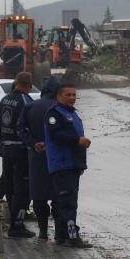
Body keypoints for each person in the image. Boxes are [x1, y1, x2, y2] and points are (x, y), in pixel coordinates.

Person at [44, 83, 92, 248]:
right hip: (62, 165)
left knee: (63, 202)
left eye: (74, 95)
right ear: (59, 96)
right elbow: (56, 135)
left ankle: (61, 235)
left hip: (73, 165)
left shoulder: (72, 114)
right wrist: (78, 141)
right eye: (68, 95)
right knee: (68, 203)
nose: (72, 97)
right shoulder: (54, 114)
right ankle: (73, 237)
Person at [18, 76, 61, 241]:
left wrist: (33, 143)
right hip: (58, 160)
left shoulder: (30, 106)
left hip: (36, 158)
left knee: (39, 195)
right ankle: (58, 232)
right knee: (58, 195)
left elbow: (20, 128)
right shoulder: (61, 108)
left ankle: (43, 232)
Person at [0, 72, 35, 237]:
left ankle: (10, 219)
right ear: (30, 85)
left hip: (6, 148)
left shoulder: (5, 99)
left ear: (16, 83)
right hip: (20, 150)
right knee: (22, 188)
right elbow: (30, 127)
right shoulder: (26, 101)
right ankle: (17, 225)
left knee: (9, 185)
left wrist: (3, 141)